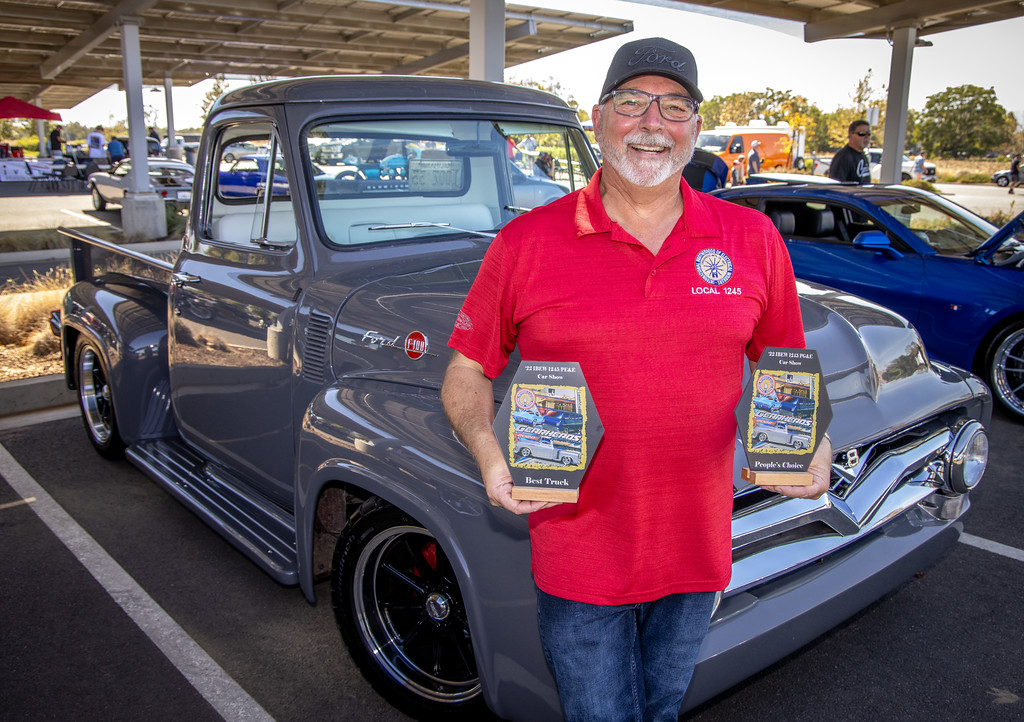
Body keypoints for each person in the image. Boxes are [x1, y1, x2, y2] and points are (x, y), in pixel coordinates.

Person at [441, 36, 831, 722]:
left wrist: (812, 447)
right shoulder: (527, 242)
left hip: (696, 551)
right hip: (577, 553)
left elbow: (783, 366)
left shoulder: (752, 239)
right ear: (598, 119)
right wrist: (487, 449)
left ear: (696, 128)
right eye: (632, 102)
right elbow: (468, 369)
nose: (653, 123)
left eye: (675, 106)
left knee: (662, 709)